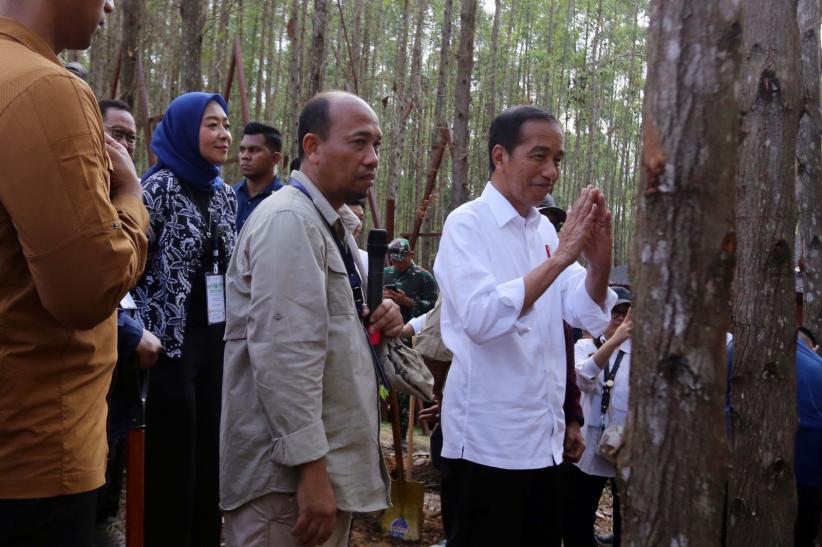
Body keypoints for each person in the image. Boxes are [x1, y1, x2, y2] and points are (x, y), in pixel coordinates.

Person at [220, 90, 404, 547]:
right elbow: (285, 357)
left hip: (311, 477)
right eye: (359, 143)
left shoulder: (324, 226)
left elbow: (325, 335)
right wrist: (311, 472)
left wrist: (381, 319)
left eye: (377, 145)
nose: (372, 158)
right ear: (312, 147)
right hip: (285, 487)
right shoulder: (290, 222)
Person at [0, 1, 149, 545]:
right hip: (36, 455)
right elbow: (87, 289)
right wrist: (131, 196)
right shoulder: (45, 87)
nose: (111, 4)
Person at [433, 105, 616, 546]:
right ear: (500, 156)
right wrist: (559, 260)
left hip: (544, 443)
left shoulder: (543, 232)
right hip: (487, 445)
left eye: (557, 159)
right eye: (539, 156)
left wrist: (600, 258)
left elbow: (583, 311)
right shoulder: (467, 224)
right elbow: (480, 318)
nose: (551, 171)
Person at [133, 92, 237, 547]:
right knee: (174, 464)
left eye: (227, 124)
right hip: (167, 348)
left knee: (210, 460)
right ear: (184, 129)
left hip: (217, 344)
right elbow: (128, 267)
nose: (224, 134)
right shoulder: (155, 189)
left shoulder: (223, 195)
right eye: (211, 124)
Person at [95, 99, 162, 545]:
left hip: (119, 383)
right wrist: (132, 333)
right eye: (113, 134)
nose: (122, 146)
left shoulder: (124, 193)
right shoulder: (79, 190)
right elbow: (90, 277)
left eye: (130, 138)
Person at [564, 288, 633, 547]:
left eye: (626, 314)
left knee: (625, 514)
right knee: (578, 513)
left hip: (625, 445)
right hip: (587, 445)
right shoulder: (582, 347)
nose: (621, 319)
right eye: (616, 313)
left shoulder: (640, 354)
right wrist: (614, 341)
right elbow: (583, 378)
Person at [233, 121, 284, 231]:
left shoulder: (285, 201)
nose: (245, 156)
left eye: (254, 150)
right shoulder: (229, 196)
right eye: (242, 150)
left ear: (275, 158)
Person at [384, 237, 438, 323]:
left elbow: (434, 309)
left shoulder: (424, 277)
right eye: (394, 261)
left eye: (402, 261)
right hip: (387, 328)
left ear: (411, 255)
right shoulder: (385, 274)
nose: (398, 265)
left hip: (413, 332)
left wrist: (408, 302)